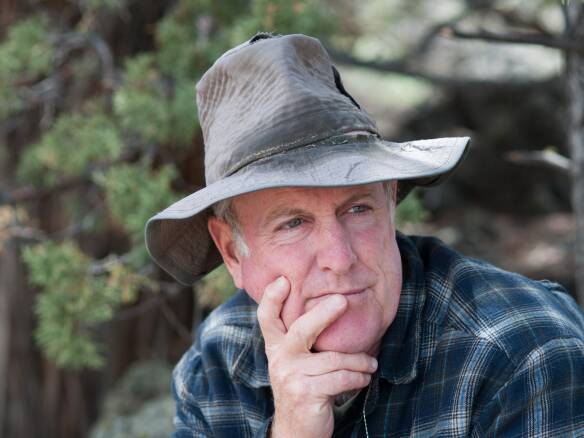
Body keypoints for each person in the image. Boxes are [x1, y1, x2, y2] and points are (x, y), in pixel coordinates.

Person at [145, 33, 584, 437]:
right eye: (293, 223)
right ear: (232, 252)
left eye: (357, 209)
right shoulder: (219, 362)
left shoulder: (522, 354)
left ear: (390, 202)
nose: (339, 258)